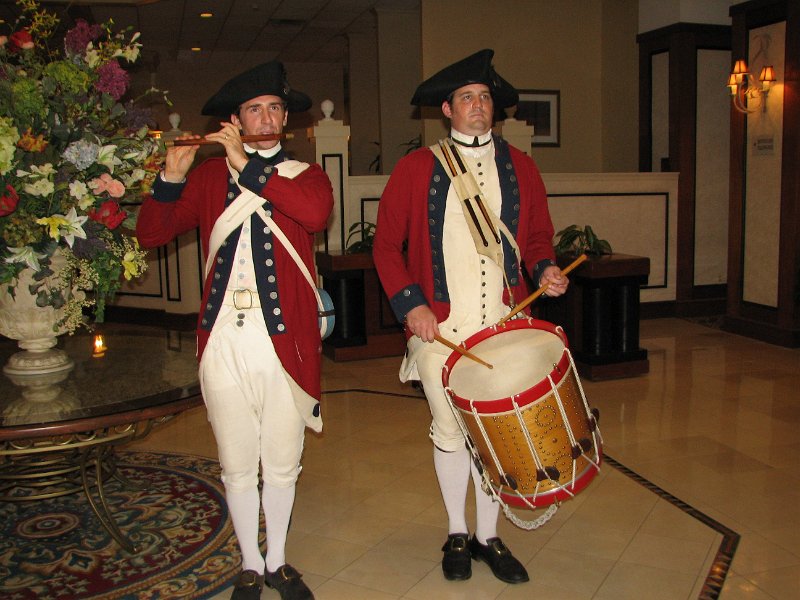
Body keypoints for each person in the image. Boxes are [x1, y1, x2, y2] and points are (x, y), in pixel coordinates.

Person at [136, 61, 333, 600]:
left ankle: (278, 562)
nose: (266, 117)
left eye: (274, 109)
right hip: (223, 339)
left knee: (283, 461)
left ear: (285, 119)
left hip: (284, 341)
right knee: (238, 462)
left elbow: (314, 214)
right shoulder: (205, 178)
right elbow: (151, 233)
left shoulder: (305, 176)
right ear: (234, 119)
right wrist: (172, 175)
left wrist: (246, 164)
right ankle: (249, 563)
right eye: (254, 110)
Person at [372, 49, 569, 585]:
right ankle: (456, 530)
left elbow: (535, 238)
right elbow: (386, 246)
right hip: (441, 331)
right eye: (466, 98)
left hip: (502, 327)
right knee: (450, 432)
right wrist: (411, 305)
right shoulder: (417, 168)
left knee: (495, 433)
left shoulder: (522, 167)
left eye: (484, 98)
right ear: (447, 109)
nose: (477, 106)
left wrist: (546, 269)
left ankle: (488, 536)